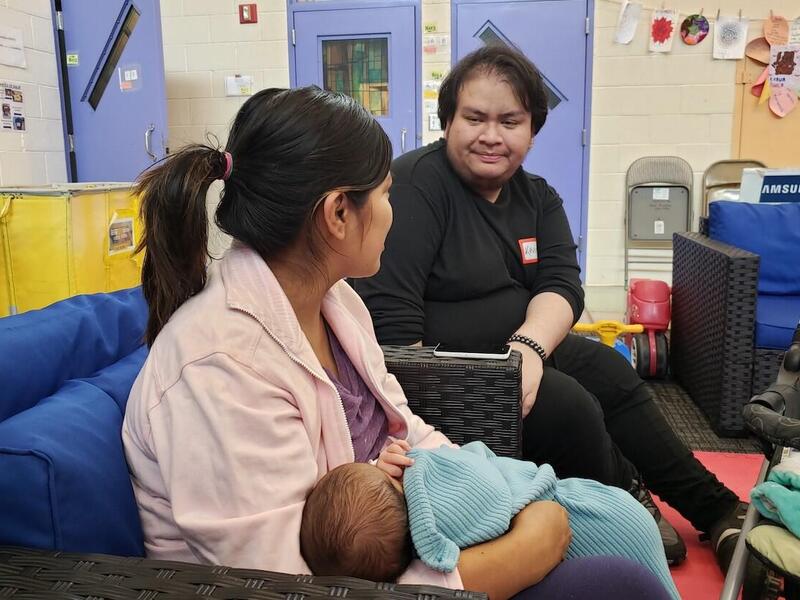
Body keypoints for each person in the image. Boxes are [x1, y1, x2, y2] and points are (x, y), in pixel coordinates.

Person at [121, 86, 672, 600]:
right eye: (386, 195)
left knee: (619, 524)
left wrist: (497, 489)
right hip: (353, 578)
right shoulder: (220, 368)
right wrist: (517, 554)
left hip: (404, 534)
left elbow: (404, 427)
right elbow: (289, 585)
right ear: (338, 213)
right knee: (620, 581)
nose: (394, 212)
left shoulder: (335, 301)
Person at [354, 45, 747, 570]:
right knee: (568, 405)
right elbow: (397, 335)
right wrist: (483, 384)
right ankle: (621, 502)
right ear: (448, 122)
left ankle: (716, 508)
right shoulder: (416, 188)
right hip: (451, 380)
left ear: (532, 131)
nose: (491, 135)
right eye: (474, 118)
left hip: (519, 353)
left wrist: (528, 348)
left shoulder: (536, 196)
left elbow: (563, 284)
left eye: (509, 121)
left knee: (610, 371)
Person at [300, 441, 679, 599]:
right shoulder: (434, 508)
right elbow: (480, 468)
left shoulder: (423, 529)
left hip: (590, 514)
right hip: (601, 521)